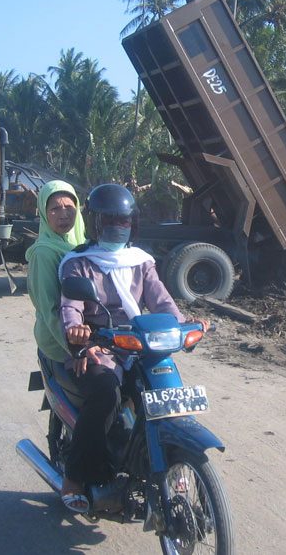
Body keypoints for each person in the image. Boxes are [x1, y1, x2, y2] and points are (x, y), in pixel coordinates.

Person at [57, 183, 208, 513]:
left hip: (141, 344)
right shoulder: (79, 263)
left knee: (166, 391)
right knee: (105, 395)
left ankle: (171, 460)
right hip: (101, 345)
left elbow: (162, 300)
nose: (115, 228)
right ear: (95, 224)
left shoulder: (141, 261)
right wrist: (78, 334)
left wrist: (183, 325)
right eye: (108, 222)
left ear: (132, 224)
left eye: (122, 222)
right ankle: (76, 476)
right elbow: (70, 307)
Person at [25, 180, 87, 509]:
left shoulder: (86, 247)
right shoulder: (44, 254)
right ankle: (75, 475)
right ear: (43, 214)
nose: (64, 214)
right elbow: (50, 311)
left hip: (90, 338)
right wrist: (72, 350)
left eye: (69, 206)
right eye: (55, 208)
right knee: (97, 396)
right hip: (58, 343)